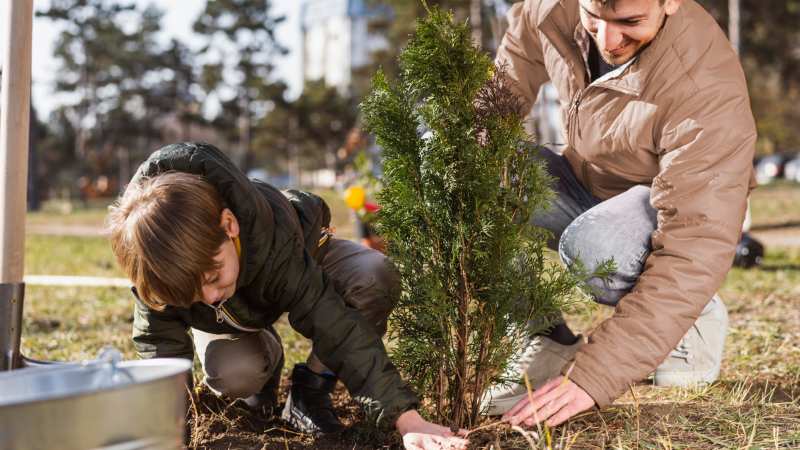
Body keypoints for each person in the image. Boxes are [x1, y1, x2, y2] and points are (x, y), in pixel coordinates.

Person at [482, 0, 756, 428]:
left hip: (676, 212)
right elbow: (509, 76)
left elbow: (694, 243)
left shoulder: (703, 85)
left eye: (630, 22)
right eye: (593, 16)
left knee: (597, 249)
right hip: (587, 184)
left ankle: (694, 317)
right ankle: (546, 338)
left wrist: (593, 377)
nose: (606, 40)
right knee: (467, 166)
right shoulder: (550, 7)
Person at [107, 142, 468, 450]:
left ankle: (310, 391)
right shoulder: (153, 262)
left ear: (229, 225)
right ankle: (263, 371)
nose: (210, 295)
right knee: (236, 373)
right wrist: (170, 433)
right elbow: (161, 350)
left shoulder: (273, 240)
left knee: (372, 277)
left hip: (298, 257)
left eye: (213, 276)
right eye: (190, 293)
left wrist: (405, 418)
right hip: (238, 317)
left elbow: (335, 326)